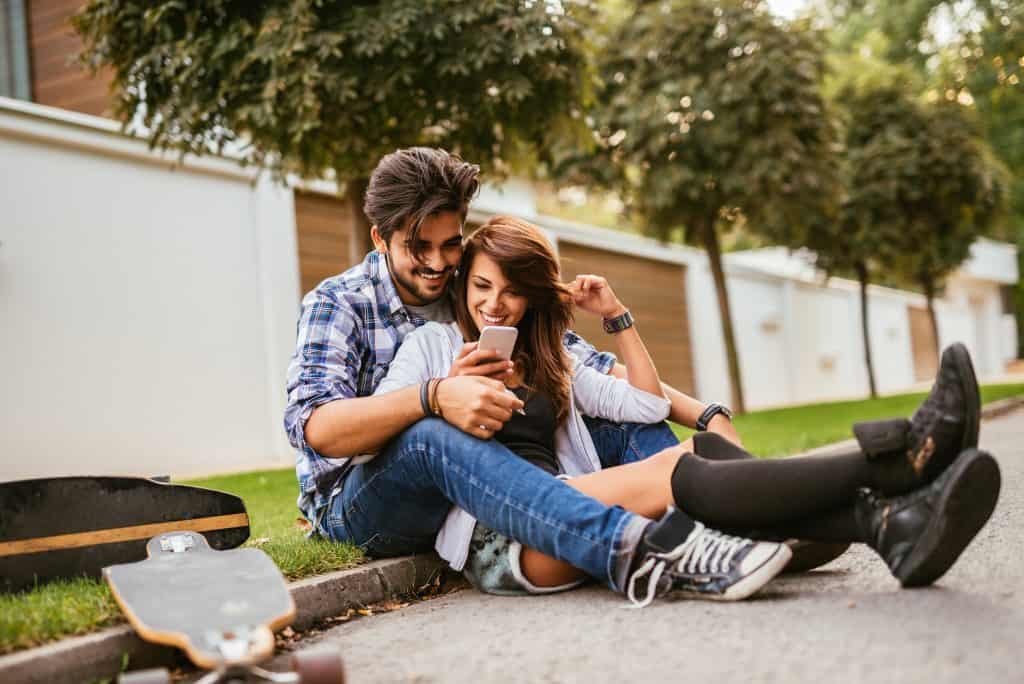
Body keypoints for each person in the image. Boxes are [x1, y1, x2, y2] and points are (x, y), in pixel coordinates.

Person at [373, 215, 1001, 606]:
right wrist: (447, 393)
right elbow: (388, 430)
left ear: (535, 300)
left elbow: (645, 402)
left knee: (695, 454)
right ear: (464, 286)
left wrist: (616, 317)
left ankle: (890, 527)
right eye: (483, 287)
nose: (496, 305)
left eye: (513, 292)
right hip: (504, 537)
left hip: (573, 497)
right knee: (680, 466)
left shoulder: (553, 362)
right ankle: (901, 460)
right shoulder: (428, 348)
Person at [285, 147, 791, 605]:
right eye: (420, 247)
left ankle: (730, 507)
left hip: (474, 487)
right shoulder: (341, 302)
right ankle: (646, 542)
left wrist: (707, 415)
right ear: (380, 238)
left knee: (606, 420)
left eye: (450, 244)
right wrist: (437, 395)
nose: (438, 264)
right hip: (361, 503)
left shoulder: (472, 285)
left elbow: (584, 366)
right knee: (428, 435)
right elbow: (317, 431)